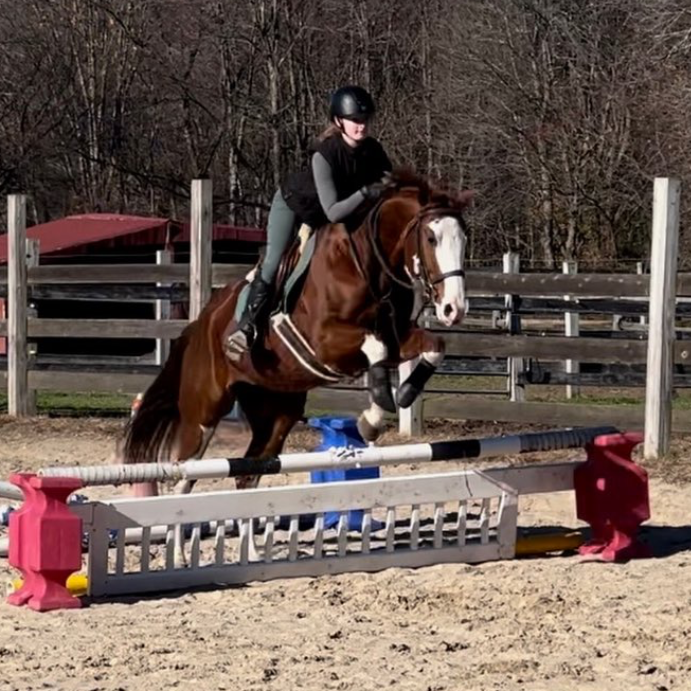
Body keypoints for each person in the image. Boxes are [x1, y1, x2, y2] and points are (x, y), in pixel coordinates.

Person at [225, 85, 393, 358]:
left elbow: (391, 184)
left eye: (364, 121)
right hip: (295, 206)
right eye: (355, 121)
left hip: (329, 217)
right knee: (275, 261)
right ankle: (247, 327)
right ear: (339, 121)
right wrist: (365, 192)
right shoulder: (324, 154)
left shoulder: (373, 150)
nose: (361, 127)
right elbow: (333, 212)